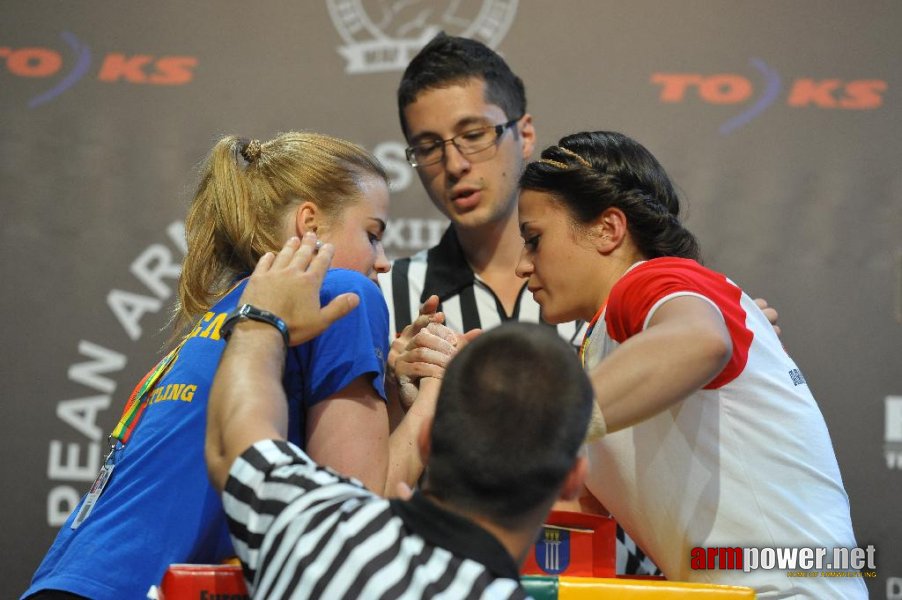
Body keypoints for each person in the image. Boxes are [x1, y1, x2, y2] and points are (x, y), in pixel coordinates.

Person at [23, 133, 425, 599]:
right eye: (372, 235)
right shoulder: (339, 290)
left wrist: (392, 392)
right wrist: (435, 400)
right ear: (309, 225)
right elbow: (348, 527)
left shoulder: (234, 308)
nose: (382, 262)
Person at [513, 130, 867, 597]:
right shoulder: (599, 349)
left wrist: (541, 419)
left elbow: (700, 341)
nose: (521, 264)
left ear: (608, 229)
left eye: (534, 239)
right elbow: (574, 523)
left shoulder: (649, 279)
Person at [205, 234, 594, 599]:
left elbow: (232, 436)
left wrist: (261, 320)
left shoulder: (314, 525)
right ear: (572, 480)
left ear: (427, 440)